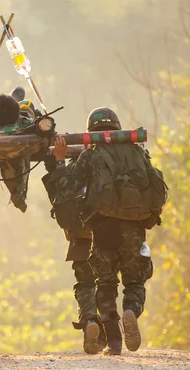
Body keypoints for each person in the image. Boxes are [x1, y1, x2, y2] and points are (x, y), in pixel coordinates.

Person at [49, 107, 167, 355]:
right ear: (117, 127)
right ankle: (131, 312)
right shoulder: (137, 151)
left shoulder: (91, 154)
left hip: (103, 227)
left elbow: (68, 187)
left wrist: (59, 160)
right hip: (134, 227)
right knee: (135, 281)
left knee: (105, 284)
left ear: (92, 130)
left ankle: (114, 342)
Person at [42, 158, 106, 354]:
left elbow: (60, 197)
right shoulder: (108, 162)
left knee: (85, 283)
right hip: (110, 232)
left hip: (81, 237)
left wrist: (56, 164)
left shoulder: (73, 168)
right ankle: (111, 335)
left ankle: (90, 321)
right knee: (107, 283)